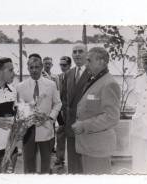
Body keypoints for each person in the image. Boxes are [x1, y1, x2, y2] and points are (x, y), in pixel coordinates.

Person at [72, 47, 121, 174]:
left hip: (98, 150)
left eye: (89, 60)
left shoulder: (109, 83)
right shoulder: (96, 80)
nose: (86, 64)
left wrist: (84, 125)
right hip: (90, 148)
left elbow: (111, 117)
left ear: (101, 62)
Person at [16, 53, 62, 174]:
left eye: (37, 67)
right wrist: (25, 114)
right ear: (28, 69)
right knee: (28, 163)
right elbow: (19, 107)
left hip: (46, 128)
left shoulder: (51, 84)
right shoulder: (21, 86)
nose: (34, 70)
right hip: (28, 129)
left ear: (42, 67)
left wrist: (51, 118)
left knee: (45, 163)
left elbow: (58, 103)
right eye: (31, 67)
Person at [62, 44, 91, 174]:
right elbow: (63, 99)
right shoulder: (68, 74)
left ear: (87, 54)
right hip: (71, 127)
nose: (77, 54)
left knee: (86, 165)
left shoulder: (92, 73)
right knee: (73, 166)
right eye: (75, 52)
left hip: (87, 126)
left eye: (81, 51)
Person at [130, 49, 147, 174]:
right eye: (146, 63)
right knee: (138, 161)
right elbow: (135, 103)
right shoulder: (137, 79)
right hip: (139, 127)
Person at [54, 56, 72, 167]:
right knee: (60, 133)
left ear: (69, 65)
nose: (62, 67)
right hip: (61, 112)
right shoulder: (58, 78)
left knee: (71, 136)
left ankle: (72, 159)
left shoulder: (74, 77)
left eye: (64, 65)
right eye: (60, 65)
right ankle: (59, 157)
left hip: (71, 112)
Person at [41, 56, 59, 153]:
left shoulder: (55, 77)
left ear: (52, 65)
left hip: (52, 104)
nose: (47, 65)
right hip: (43, 103)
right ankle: (44, 146)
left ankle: (52, 146)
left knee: (52, 125)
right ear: (43, 64)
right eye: (45, 63)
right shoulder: (40, 75)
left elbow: (57, 90)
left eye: (49, 63)